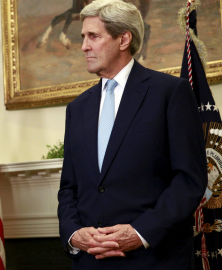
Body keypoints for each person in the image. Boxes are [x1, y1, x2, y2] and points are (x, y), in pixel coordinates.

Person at [58, 0, 207, 269]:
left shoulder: (170, 93)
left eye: (93, 36)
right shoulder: (76, 109)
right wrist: (74, 234)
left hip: (153, 259)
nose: (83, 46)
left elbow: (189, 180)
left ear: (123, 39)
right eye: (83, 37)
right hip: (91, 262)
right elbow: (69, 187)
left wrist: (140, 233)